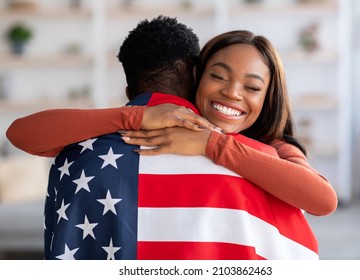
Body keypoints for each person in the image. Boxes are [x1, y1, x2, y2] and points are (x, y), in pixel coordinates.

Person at [6, 18, 330, 259]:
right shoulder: (138, 124)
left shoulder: (275, 149)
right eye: (217, 75)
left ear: (269, 96)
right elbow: (20, 133)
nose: (231, 93)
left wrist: (210, 145)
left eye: (252, 87)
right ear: (195, 78)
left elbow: (322, 199)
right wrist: (138, 115)